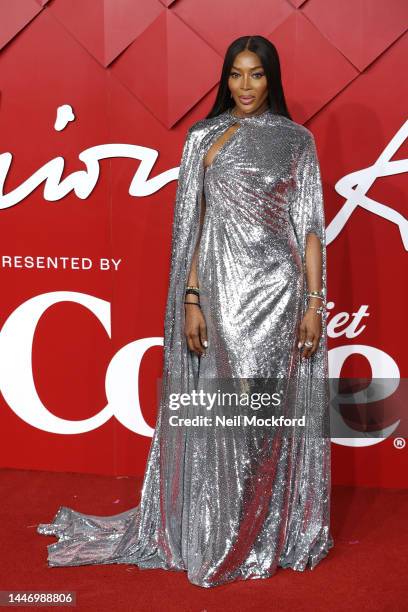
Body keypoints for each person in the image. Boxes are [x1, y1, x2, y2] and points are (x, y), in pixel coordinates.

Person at [37, 35, 333, 588]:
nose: (245, 87)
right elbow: (190, 231)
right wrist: (190, 301)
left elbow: (310, 228)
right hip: (219, 294)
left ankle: (264, 534)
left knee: (266, 420)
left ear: (273, 79)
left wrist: (314, 305)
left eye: (257, 75)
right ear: (225, 79)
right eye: (237, 75)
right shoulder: (204, 138)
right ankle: (217, 532)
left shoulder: (298, 141)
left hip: (280, 291)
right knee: (226, 416)